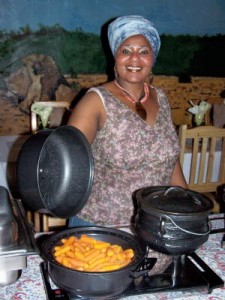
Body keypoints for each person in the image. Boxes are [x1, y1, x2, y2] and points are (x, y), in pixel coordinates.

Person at [67, 15, 187, 228]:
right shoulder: (95, 101)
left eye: (143, 51)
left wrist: (187, 207)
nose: (134, 59)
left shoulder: (161, 98)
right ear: (115, 56)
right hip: (103, 231)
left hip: (156, 225)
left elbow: (171, 161)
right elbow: (67, 163)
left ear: (153, 58)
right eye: (125, 50)